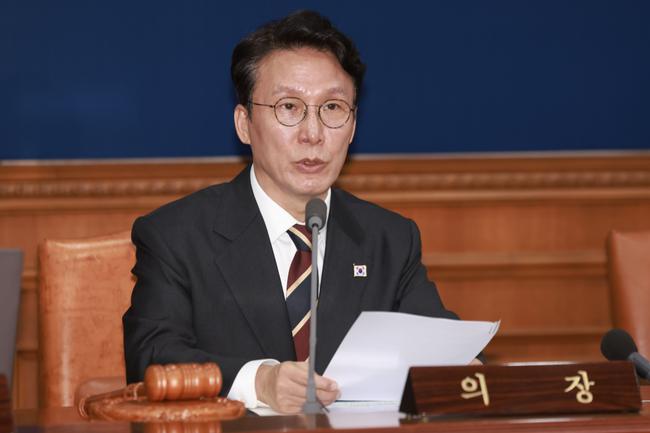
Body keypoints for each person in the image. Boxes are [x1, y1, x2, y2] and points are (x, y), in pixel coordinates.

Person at [123, 10, 460, 414]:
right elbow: (151, 356)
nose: (312, 134)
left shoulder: (389, 239)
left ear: (353, 127)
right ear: (244, 124)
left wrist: (462, 372)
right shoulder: (177, 235)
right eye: (289, 107)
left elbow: (444, 350)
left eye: (332, 107)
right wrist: (258, 381)